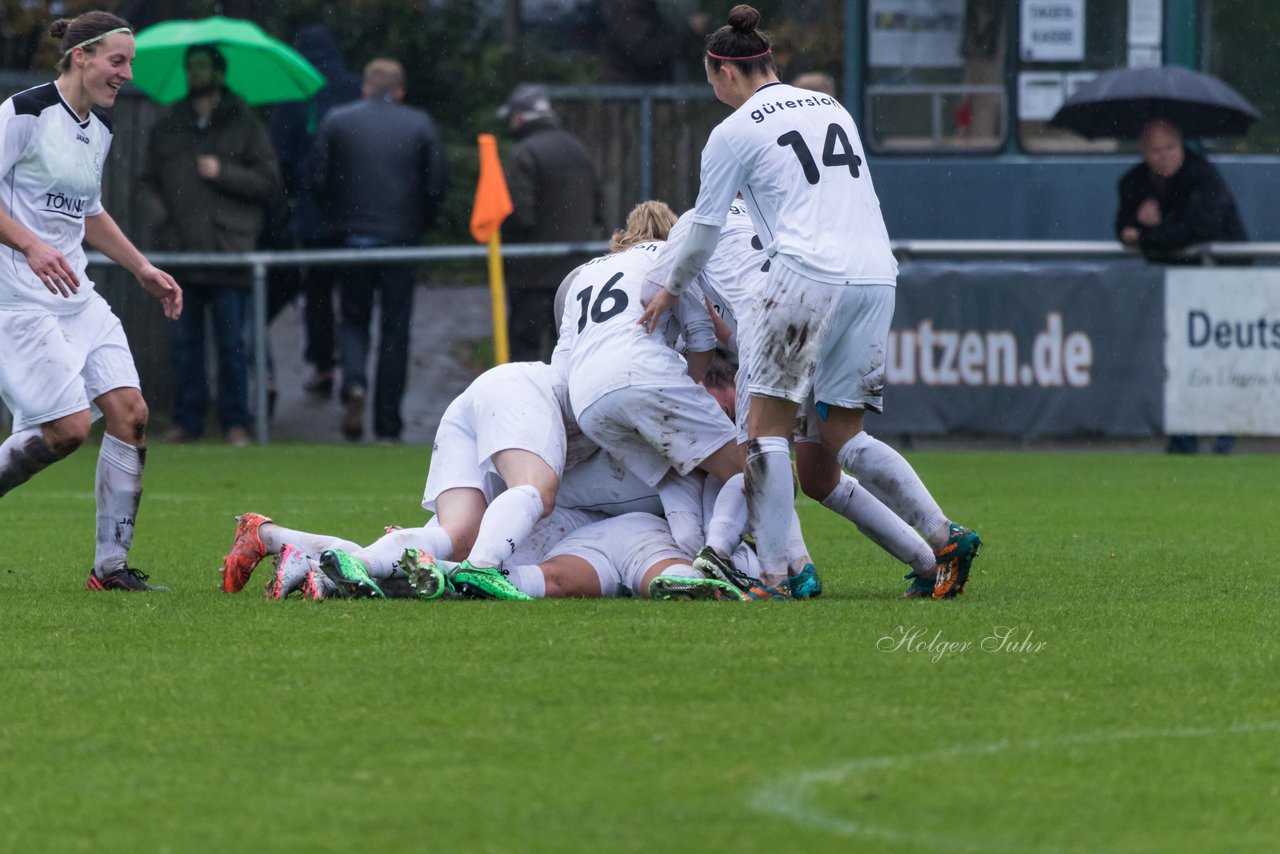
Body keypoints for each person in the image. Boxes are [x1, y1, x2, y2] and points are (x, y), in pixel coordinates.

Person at [640, 5, 981, 600]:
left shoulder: (733, 130)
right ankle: (941, 533)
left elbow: (704, 229)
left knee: (764, 431)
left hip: (804, 274)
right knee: (843, 435)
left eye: (710, 79)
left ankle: (776, 575)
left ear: (724, 72)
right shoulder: (831, 107)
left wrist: (672, 288)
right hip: (876, 274)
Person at [0, 12, 182, 591]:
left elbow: (89, 213)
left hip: (76, 296)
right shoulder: (24, 114)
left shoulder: (98, 131)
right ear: (81, 56)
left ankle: (111, 569)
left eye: (130, 63)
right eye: (117, 61)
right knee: (69, 430)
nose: (126, 74)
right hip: (18, 302)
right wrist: (29, 245)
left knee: (131, 414)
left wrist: (143, 268)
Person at [139, 43, 281, 446]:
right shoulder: (169, 124)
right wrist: (162, 224)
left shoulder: (246, 125)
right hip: (181, 255)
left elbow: (269, 184)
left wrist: (224, 172)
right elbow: (147, 183)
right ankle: (188, 422)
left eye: (201, 67)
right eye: (190, 67)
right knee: (185, 347)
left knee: (233, 346)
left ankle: (237, 424)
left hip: (230, 255)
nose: (194, 74)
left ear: (219, 73)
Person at [309, 58, 449, 443]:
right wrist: (417, 223)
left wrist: (341, 220)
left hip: (354, 240)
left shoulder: (338, 120)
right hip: (401, 242)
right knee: (395, 331)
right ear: (400, 91)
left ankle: (354, 382)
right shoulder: (419, 124)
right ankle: (388, 426)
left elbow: (318, 178)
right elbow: (436, 184)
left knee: (353, 320)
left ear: (365, 88)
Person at [1116, 118, 1248, 456]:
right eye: (1155, 150)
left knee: (1220, 358)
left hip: (1223, 279)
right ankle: (1184, 438)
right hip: (1180, 282)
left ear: (1181, 146)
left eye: (1170, 148)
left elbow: (1197, 230)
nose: (1164, 157)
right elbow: (1123, 227)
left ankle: (1222, 436)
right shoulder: (1134, 182)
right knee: (1177, 358)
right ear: (1145, 154)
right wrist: (1143, 229)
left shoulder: (1203, 177)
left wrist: (1148, 233)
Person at [269, 24, 362, 399]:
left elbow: (284, 155)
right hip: (356, 213)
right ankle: (356, 377)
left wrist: (296, 195)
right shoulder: (354, 88)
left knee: (318, 295)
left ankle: (323, 367)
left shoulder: (295, 91)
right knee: (355, 301)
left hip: (312, 216)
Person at [499, 83, 602, 362]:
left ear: (519, 116)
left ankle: (527, 406)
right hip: (574, 273)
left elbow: (520, 217)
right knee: (570, 354)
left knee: (526, 356)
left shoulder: (524, 152)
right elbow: (598, 210)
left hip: (531, 273)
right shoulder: (578, 148)